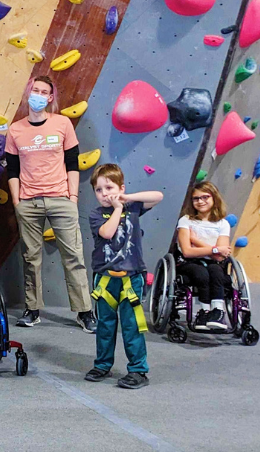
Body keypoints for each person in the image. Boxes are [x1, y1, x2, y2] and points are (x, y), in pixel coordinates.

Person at [5, 76, 94, 332]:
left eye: (44, 92)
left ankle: (84, 312)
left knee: (74, 257)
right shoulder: (16, 129)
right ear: (28, 93)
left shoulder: (62, 123)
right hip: (28, 202)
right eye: (35, 90)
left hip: (61, 199)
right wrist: (16, 200)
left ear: (50, 98)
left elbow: (73, 163)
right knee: (31, 258)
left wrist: (73, 197)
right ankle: (32, 310)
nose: (39, 95)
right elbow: (12, 169)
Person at [84, 164, 161, 389]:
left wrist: (126, 198)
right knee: (105, 325)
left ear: (121, 188)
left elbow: (158, 196)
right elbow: (107, 233)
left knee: (132, 325)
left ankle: (138, 370)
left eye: (109, 187)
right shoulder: (96, 215)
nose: (104, 194)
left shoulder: (134, 207)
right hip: (106, 279)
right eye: (99, 190)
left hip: (131, 278)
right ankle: (102, 364)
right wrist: (117, 209)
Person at [176, 181, 233, 332]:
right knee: (200, 273)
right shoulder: (186, 220)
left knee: (216, 271)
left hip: (214, 263)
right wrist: (215, 249)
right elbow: (187, 251)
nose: (200, 201)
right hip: (188, 262)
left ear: (214, 198)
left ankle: (217, 311)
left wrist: (195, 241)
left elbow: (220, 257)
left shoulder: (223, 224)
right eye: (196, 198)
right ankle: (204, 311)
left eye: (205, 197)